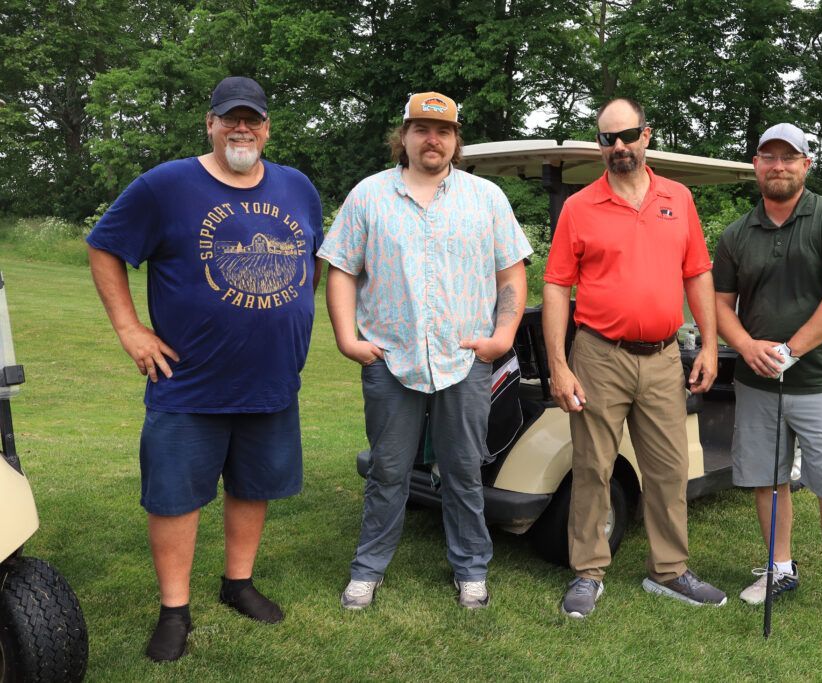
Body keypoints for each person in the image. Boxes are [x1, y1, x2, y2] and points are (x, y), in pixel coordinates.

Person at [87, 76, 323, 661]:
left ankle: (237, 583)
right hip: (188, 382)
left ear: (267, 129)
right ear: (211, 124)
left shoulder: (297, 186)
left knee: (253, 486)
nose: (242, 128)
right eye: (230, 118)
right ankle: (175, 610)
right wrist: (130, 329)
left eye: (253, 119)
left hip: (271, 381)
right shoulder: (165, 185)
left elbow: (309, 261)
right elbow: (105, 246)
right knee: (174, 497)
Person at [318, 91, 531, 611]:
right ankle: (368, 570)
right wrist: (347, 338)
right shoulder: (369, 196)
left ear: (456, 140)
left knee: (464, 471)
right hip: (392, 359)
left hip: (466, 359)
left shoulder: (486, 198)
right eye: (421, 129)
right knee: (387, 471)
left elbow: (510, 273)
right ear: (404, 135)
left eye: (443, 131)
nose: (432, 139)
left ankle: (471, 570)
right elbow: (341, 269)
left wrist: (503, 335)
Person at [543, 98, 726, 619]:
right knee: (593, 466)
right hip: (599, 355)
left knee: (669, 467)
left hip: (664, 357)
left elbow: (697, 273)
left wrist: (709, 344)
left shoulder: (678, 198)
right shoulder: (580, 206)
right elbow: (556, 285)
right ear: (599, 145)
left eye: (627, 135)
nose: (618, 146)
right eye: (608, 139)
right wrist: (558, 364)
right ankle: (587, 572)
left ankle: (669, 571)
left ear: (646, 135)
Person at [712, 122, 822, 640]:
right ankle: (779, 568)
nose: (778, 166)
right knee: (768, 480)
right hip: (758, 382)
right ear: (755, 165)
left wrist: (790, 350)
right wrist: (746, 346)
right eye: (768, 157)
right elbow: (720, 305)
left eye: (789, 157)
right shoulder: (736, 234)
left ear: (806, 164)